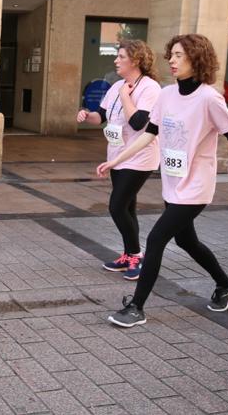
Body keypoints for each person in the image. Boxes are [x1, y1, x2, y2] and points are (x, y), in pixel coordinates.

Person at [98, 33, 228, 328]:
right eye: (172, 55)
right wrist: (116, 160)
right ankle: (225, 284)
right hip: (173, 183)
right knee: (187, 240)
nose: (173, 61)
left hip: (196, 187)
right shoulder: (167, 95)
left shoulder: (209, 98)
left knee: (156, 240)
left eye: (180, 55)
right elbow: (149, 134)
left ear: (198, 59)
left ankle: (136, 307)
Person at [77, 39, 161, 281]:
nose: (116, 60)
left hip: (139, 156)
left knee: (116, 206)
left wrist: (126, 95)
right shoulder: (116, 86)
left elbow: (138, 123)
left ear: (135, 60)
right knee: (127, 207)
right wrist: (86, 115)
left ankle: (136, 255)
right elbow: (100, 117)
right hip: (117, 155)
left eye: (121, 56)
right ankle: (128, 254)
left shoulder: (150, 88)